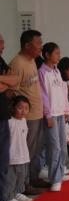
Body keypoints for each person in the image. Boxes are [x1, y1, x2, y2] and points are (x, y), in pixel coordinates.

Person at [8, 30, 49, 191]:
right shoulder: (17, 63)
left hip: (37, 113)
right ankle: (24, 185)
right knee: (26, 151)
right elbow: (12, 92)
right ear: (27, 45)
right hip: (27, 116)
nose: (41, 46)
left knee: (36, 150)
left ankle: (33, 177)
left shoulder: (32, 61)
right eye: (38, 43)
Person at [39, 43, 69, 191]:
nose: (59, 56)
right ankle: (55, 178)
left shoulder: (57, 71)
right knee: (54, 147)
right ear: (47, 55)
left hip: (60, 112)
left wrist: (66, 110)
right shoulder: (42, 72)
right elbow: (43, 95)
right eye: (56, 53)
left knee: (62, 146)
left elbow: (63, 93)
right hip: (51, 114)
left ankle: (60, 171)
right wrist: (48, 114)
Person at [0, 34, 22, 201]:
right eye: (0, 42)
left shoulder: (1, 60)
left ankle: (5, 197)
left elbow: (15, 80)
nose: (3, 45)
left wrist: (4, 82)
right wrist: (5, 82)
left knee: (4, 159)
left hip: (3, 114)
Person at [0, 96, 32, 201]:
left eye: (26, 108)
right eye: (20, 108)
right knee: (10, 179)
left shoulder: (24, 121)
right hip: (12, 156)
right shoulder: (9, 122)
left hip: (23, 154)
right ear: (13, 108)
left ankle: (17, 193)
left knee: (21, 176)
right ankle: (9, 197)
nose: (23, 111)